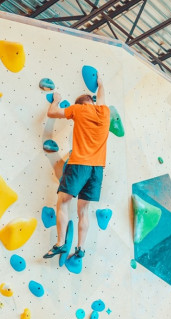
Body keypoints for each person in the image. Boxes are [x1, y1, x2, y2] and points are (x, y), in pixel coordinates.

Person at [43, 83, 109, 264]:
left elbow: (52, 113)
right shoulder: (105, 112)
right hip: (97, 170)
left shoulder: (78, 109)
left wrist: (56, 100)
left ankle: (60, 243)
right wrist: (101, 83)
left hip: (79, 164)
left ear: (80, 103)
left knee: (63, 202)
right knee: (84, 211)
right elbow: (102, 96)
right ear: (92, 102)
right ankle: (81, 249)